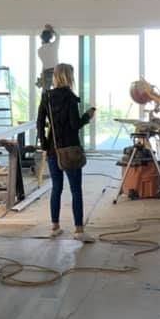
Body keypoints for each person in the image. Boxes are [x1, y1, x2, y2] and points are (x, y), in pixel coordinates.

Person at [37, 62, 96, 241]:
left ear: (55, 76)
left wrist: (45, 145)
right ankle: (79, 230)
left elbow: (39, 123)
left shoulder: (46, 96)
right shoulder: (70, 97)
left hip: (53, 150)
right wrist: (87, 116)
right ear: (69, 77)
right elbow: (74, 125)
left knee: (57, 187)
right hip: (70, 149)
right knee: (76, 190)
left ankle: (55, 226)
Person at [37, 24, 59, 90]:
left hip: (46, 72)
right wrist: (51, 29)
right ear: (50, 37)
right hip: (55, 72)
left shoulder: (39, 50)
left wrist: (42, 74)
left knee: (45, 94)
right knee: (57, 92)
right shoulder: (54, 46)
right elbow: (58, 36)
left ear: (42, 38)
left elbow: (44, 63)